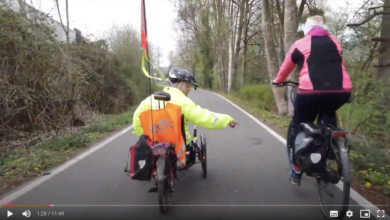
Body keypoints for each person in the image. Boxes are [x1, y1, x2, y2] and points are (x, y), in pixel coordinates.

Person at [271, 15, 353, 186]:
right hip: (342, 90)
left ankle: (296, 169)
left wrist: (278, 81)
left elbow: (286, 67)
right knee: (328, 111)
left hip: (310, 91)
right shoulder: (336, 42)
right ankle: (331, 150)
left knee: (299, 123)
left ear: (307, 29)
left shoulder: (300, 44)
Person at [132, 67, 238, 167]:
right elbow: (204, 117)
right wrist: (227, 119)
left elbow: (137, 120)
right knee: (188, 143)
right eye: (187, 86)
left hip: (153, 142)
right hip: (178, 144)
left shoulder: (149, 100)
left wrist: (144, 137)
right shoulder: (183, 102)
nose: (189, 89)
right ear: (177, 85)